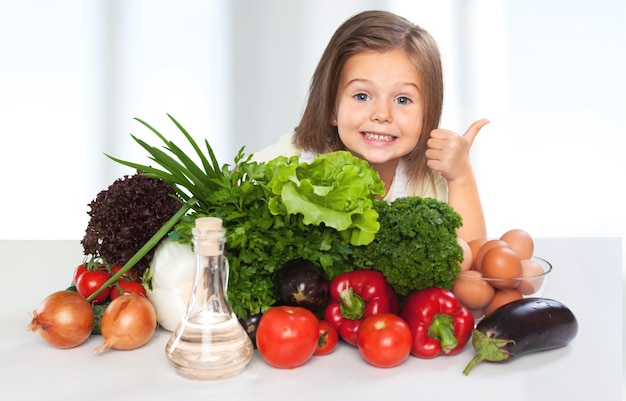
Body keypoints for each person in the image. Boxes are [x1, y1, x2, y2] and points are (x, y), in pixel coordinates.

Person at [253, 10, 487, 243]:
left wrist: (461, 178)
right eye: (362, 96)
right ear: (332, 108)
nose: (382, 114)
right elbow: (232, 195)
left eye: (403, 100)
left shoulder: (425, 183)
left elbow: (470, 258)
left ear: (428, 114)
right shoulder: (291, 161)